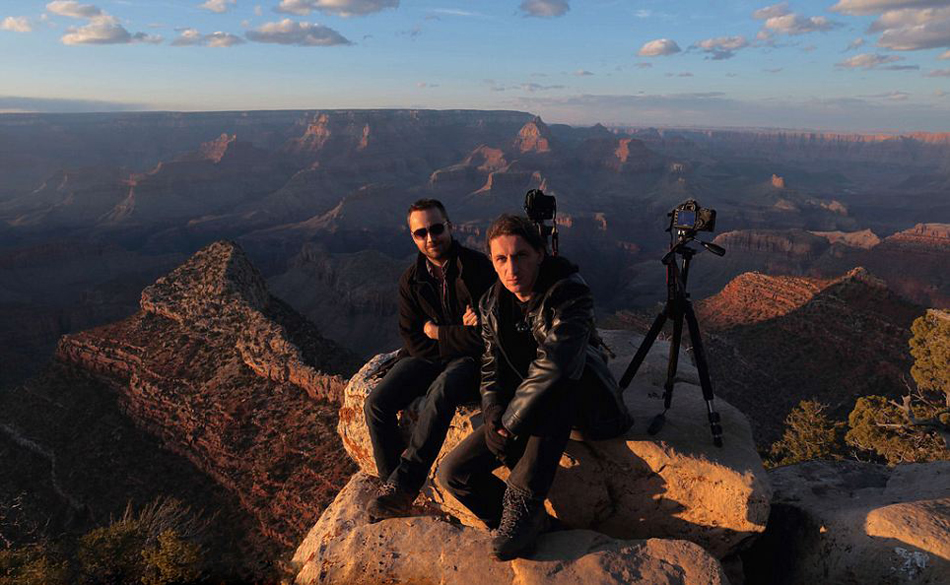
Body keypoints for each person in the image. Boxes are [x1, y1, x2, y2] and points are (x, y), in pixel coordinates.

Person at [437, 214, 632, 561]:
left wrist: (509, 421)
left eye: (520, 255)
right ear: (492, 262)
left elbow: (555, 364)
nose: (511, 268)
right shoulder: (491, 304)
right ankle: (529, 523)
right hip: (523, 408)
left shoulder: (570, 292)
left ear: (540, 254)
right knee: (453, 473)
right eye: (501, 259)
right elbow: (491, 365)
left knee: (558, 384)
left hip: (585, 405)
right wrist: (493, 409)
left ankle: (522, 503)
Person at [365, 198, 496, 522]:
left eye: (436, 229)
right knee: (376, 404)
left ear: (450, 226)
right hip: (427, 358)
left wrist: (438, 332)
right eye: (420, 232)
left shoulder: (479, 269)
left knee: (442, 391)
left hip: (469, 362)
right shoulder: (410, 281)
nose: (430, 238)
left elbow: (486, 338)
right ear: (412, 237)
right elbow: (411, 338)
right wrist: (456, 333)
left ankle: (405, 485)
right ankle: (392, 487)